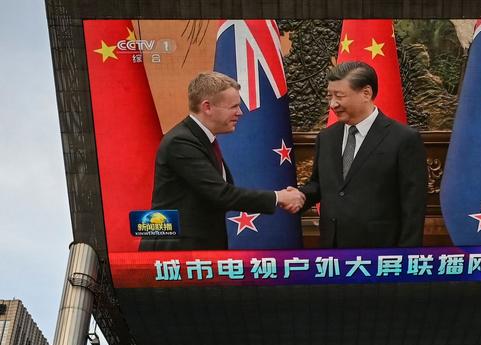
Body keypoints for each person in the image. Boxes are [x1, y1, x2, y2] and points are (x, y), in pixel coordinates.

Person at [139, 72, 304, 251]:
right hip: (177, 252)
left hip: (199, 248)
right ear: (207, 107)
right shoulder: (181, 142)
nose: (240, 113)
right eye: (233, 107)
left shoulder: (201, 139)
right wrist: (278, 197)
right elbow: (221, 194)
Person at [299, 61, 427, 247]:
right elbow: (320, 184)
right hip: (333, 253)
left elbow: (413, 206)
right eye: (329, 96)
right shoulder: (327, 137)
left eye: (339, 96)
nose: (333, 103)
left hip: (380, 255)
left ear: (366, 93)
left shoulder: (403, 139)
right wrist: (297, 196)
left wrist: (406, 259)